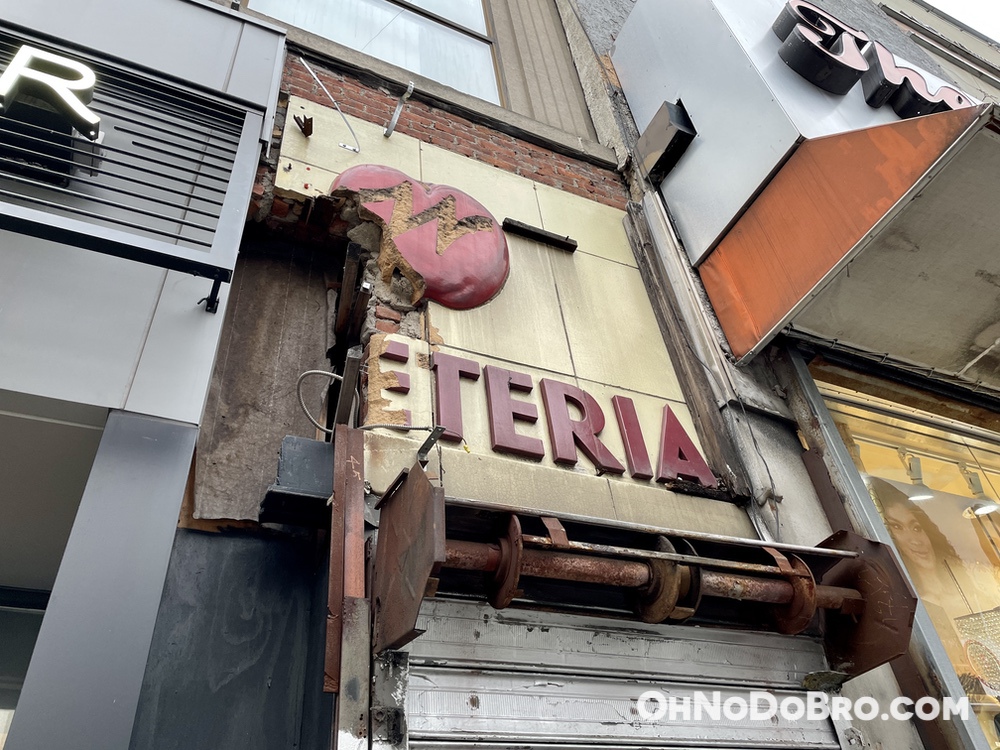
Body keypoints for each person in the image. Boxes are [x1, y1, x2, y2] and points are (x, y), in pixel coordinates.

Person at [876, 481, 1000, 746]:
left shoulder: (978, 585)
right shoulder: (908, 608)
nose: (914, 539)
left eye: (916, 526)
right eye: (896, 527)